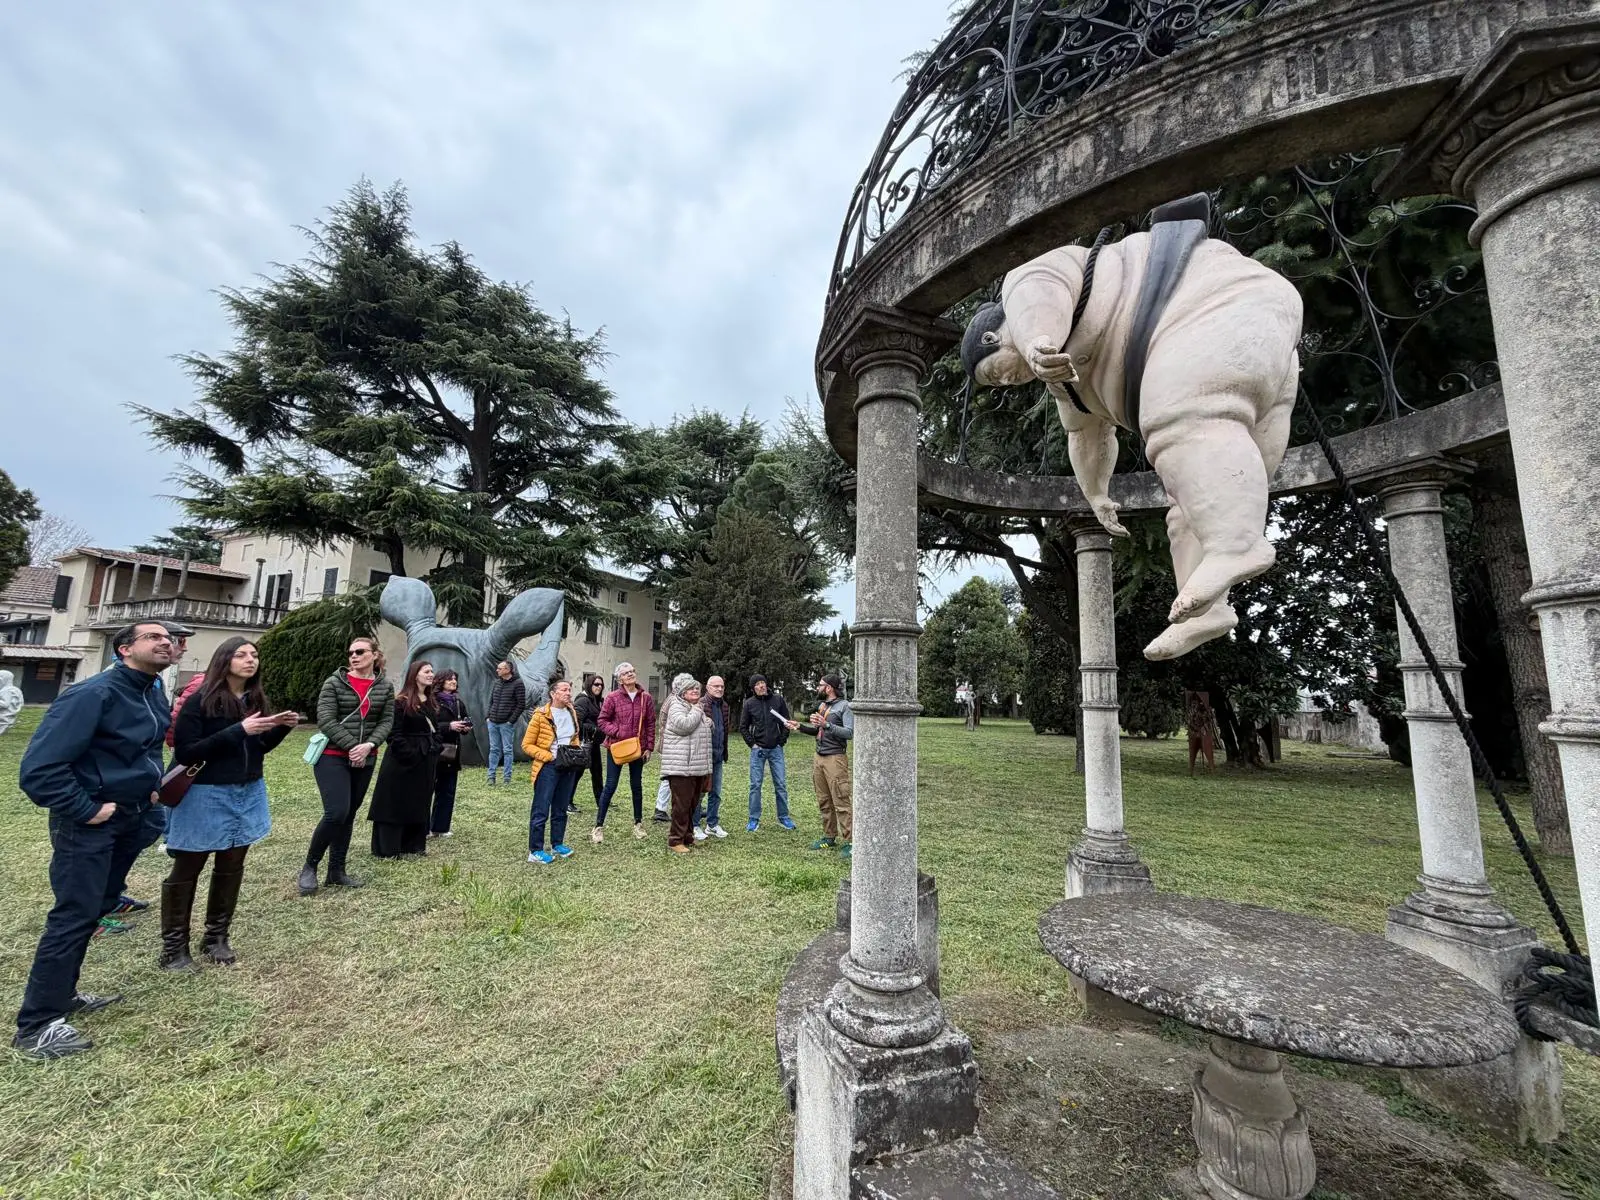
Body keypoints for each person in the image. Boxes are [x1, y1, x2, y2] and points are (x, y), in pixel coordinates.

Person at [12, 621, 173, 1059]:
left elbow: (147, 749)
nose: (165, 642)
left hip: (132, 818)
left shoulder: (152, 691)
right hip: (88, 825)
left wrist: (152, 788)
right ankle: (37, 1025)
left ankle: (63, 996)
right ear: (124, 649)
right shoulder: (92, 694)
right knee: (74, 915)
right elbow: (40, 769)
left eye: (168, 639)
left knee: (96, 909)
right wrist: (87, 809)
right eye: (153, 637)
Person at [164, 637, 298, 969]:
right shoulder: (200, 700)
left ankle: (216, 938)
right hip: (206, 793)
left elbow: (257, 748)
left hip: (247, 790)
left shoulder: (255, 699)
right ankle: (174, 949)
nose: (250, 660)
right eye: (241, 655)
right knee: (188, 866)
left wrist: (280, 729)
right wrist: (240, 730)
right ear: (224, 660)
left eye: (254, 655)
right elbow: (187, 752)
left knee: (231, 865)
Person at [298, 637, 395, 897]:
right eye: (351, 652)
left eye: (360, 651)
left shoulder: (384, 686)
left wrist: (369, 745)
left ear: (375, 655)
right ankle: (310, 866)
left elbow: (386, 721)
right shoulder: (334, 683)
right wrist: (354, 746)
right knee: (336, 812)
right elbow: (326, 719)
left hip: (366, 756)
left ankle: (336, 871)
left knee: (349, 813)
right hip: (332, 755)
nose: (354, 656)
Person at [369, 660, 456, 858]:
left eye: (432, 671)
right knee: (396, 801)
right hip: (402, 761)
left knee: (418, 800)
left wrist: (434, 747)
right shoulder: (401, 702)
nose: (431, 674)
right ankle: (389, 847)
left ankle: (413, 845)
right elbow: (394, 734)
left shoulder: (431, 702)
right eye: (426, 671)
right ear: (415, 675)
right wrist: (410, 753)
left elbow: (436, 730)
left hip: (425, 760)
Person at [787, 673, 855, 859]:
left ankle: (851, 841)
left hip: (835, 758)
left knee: (841, 800)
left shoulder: (845, 707)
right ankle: (829, 836)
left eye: (820, 685)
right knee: (824, 799)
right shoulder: (822, 706)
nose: (818, 688)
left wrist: (827, 725)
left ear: (829, 688)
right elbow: (817, 730)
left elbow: (850, 733)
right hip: (819, 757)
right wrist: (799, 726)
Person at [522, 677, 583, 864]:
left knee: (561, 807)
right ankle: (535, 850)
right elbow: (526, 744)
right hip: (548, 767)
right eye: (564, 690)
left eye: (569, 690)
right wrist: (548, 756)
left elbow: (574, 736)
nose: (568, 693)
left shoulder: (571, 711)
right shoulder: (541, 715)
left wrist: (575, 753)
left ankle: (557, 843)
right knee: (541, 809)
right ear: (553, 693)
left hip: (567, 765)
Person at [593, 662, 656, 843]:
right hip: (617, 746)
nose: (630, 674)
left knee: (636, 785)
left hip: (638, 748)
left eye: (632, 671)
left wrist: (649, 747)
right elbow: (602, 721)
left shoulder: (645, 698)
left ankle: (638, 823)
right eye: (626, 673)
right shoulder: (613, 697)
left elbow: (650, 723)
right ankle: (598, 826)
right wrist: (618, 732)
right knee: (610, 785)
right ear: (619, 679)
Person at [659, 674, 713, 855]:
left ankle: (687, 836)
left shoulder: (694, 707)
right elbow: (685, 725)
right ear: (683, 693)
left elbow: (700, 728)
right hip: (681, 766)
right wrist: (698, 711)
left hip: (695, 766)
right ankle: (675, 840)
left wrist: (708, 723)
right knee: (681, 805)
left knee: (692, 804)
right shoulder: (677, 706)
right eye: (691, 688)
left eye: (697, 688)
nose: (696, 691)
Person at [740, 674, 795, 832]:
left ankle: (784, 817)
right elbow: (743, 727)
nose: (761, 686)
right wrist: (752, 744)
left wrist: (781, 741)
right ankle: (753, 818)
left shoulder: (778, 700)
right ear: (753, 688)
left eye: (763, 682)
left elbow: (786, 723)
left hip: (775, 749)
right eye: (757, 684)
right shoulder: (749, 704)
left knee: (781, 784)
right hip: (758, 751)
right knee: (755, 785)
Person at [428, 670, 470, 838]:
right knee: (427, 790)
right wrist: (448, 726)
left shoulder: (458, 702)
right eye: (449, 679)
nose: (453, 681)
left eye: (455, 679)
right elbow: (428, 725)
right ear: (440, 681)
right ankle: (423, 828)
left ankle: (440, 827)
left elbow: (465, 718)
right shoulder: (431, 701)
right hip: (434, 750)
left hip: (452, 752)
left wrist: (465, 727)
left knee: (447, 791)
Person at [696, 675, 732, 840]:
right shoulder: (700, 704)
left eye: (722, 686)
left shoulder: (724, 706)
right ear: (708, 687)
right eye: (716, 686)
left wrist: (724, 752)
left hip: (718, 756)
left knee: (715, 792)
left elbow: (724, 731)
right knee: (699, 793)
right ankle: (695, 825)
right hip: (703, 756)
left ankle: (712, 824)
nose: (719, 689)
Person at [484, 660, 527, 786]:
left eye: (500, 668)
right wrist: (488, 716)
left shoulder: (518, 683)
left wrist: (510, 721)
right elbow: (491, 701)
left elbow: (521, 704)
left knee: (507, 750)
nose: (497, 670)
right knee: (494, 749)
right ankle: (491, 776)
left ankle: (507, 778)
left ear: (508, 670)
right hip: (493, 722)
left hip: (506, 724)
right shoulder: (497, 682)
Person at [573, 674, 606, 811]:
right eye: (596, 684)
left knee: (597, 772)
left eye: (601, 685)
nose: (599, 687)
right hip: (584, 743)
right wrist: (594, 729)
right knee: (577, 772)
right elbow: (577, 723)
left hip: (593, 742)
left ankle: (601, 801)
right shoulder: (583, 700)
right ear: (589, 685)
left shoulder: (596, 701)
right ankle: (567, 800)